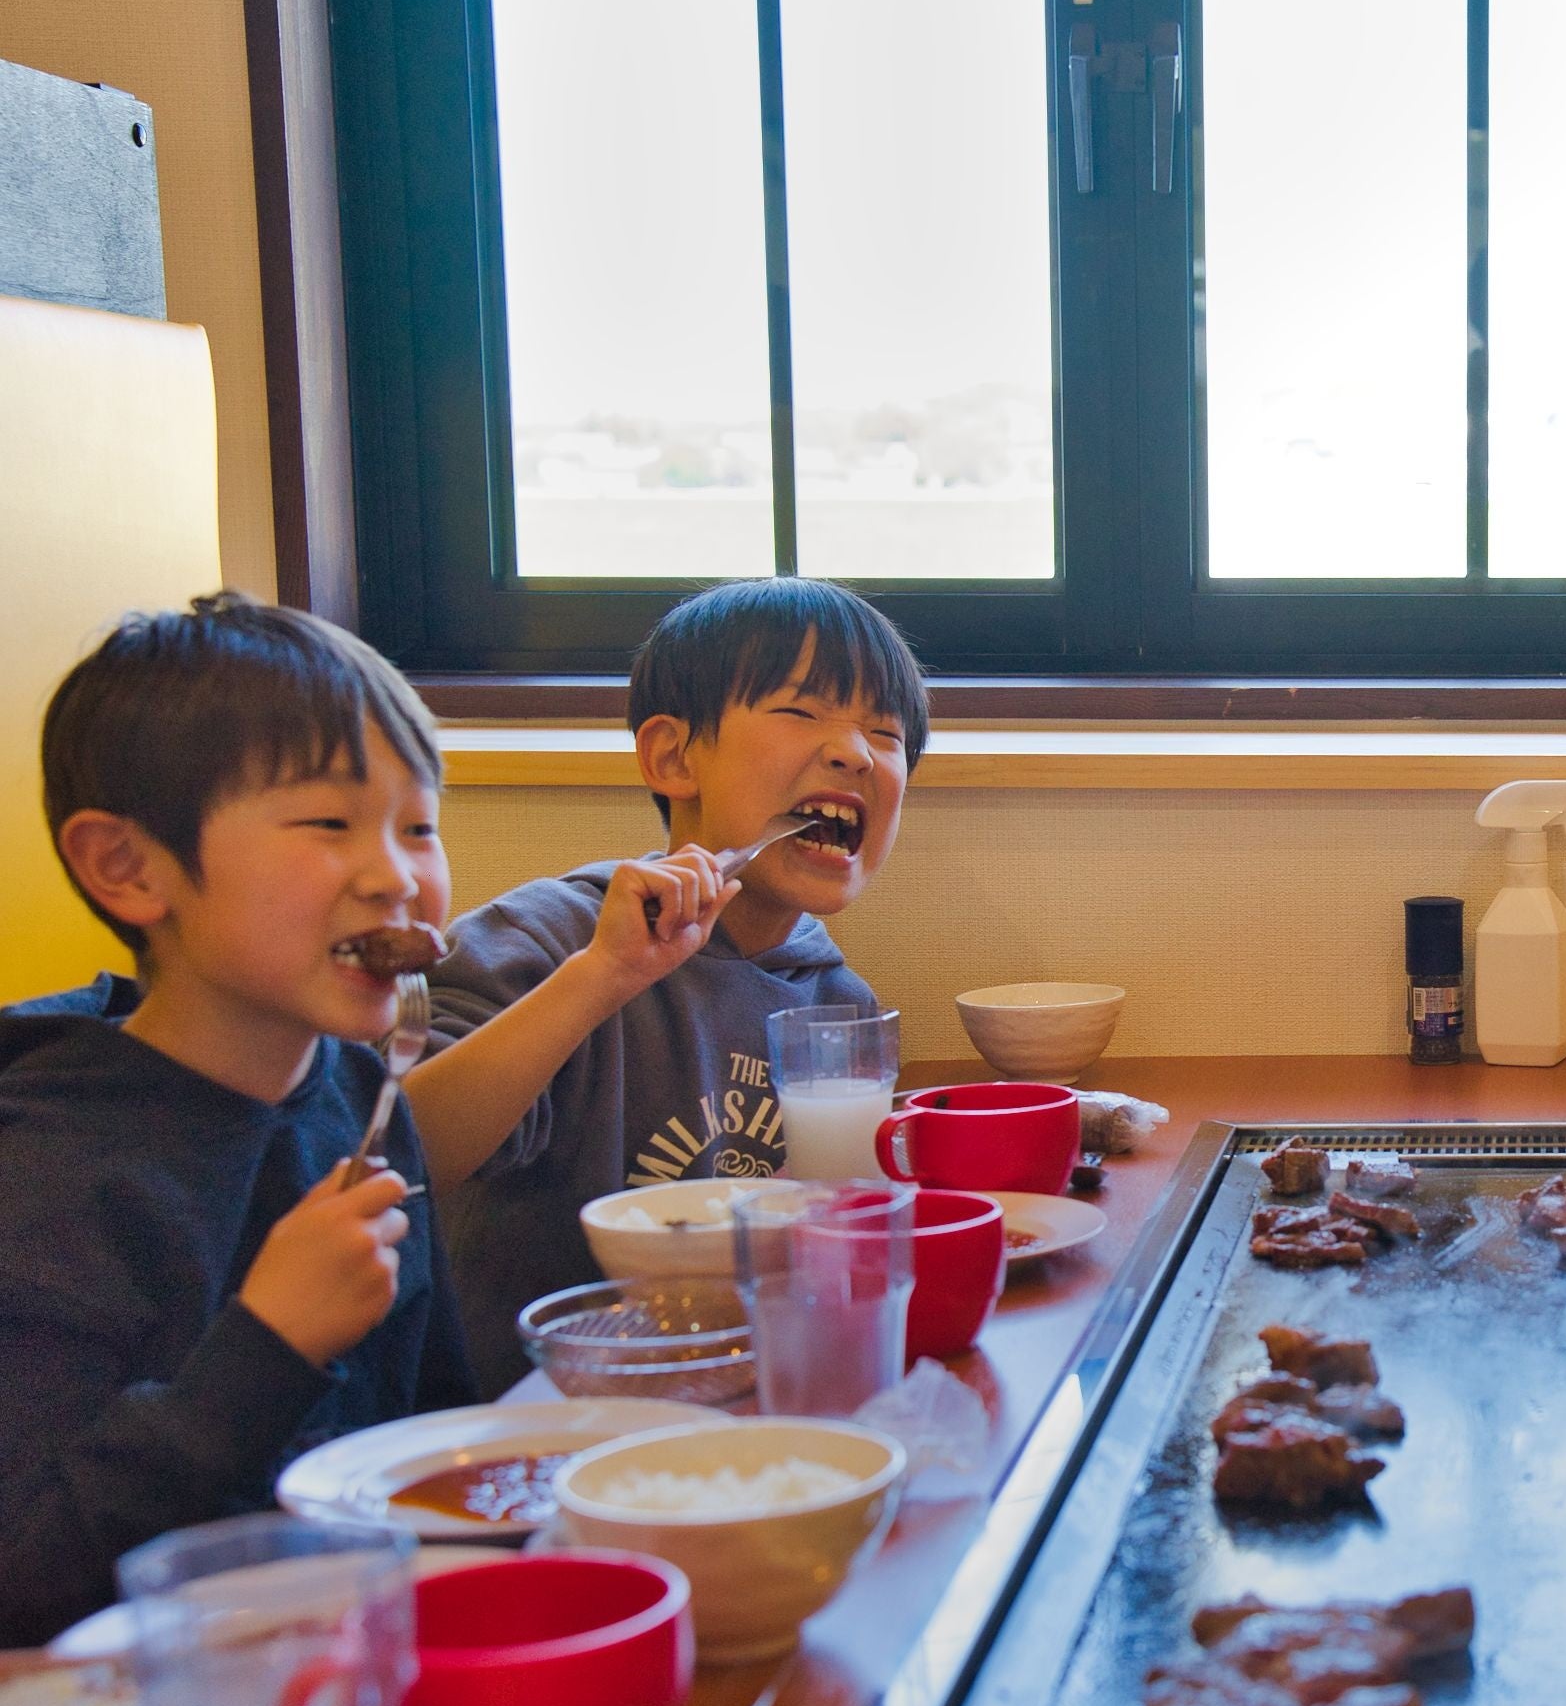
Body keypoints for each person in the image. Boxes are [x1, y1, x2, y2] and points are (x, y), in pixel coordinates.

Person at [0, 595, 472, 1645]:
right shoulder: (50, 1172)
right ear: (129, 867)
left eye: (420, 825)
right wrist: (270, 1344)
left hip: (368, 1657)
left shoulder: (363, 1089)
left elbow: (435, 1427)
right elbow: (26, 1583)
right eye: (329, 824)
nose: (398, 875)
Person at [410, 577, 926, 1388]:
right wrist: (600, 978)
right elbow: (392, 1151)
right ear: (673, 757)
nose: (855, 752)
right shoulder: (549, 939)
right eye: (801, 711)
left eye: (885, 732)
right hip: (537, 1421)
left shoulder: (836, 1002)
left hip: (740, 1401)